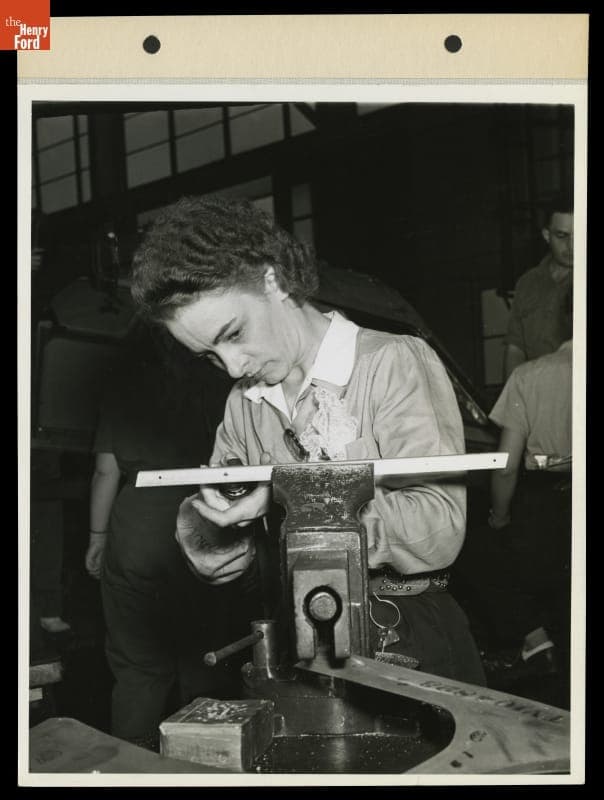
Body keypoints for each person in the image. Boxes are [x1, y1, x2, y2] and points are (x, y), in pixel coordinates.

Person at [130, 195, 486, 685]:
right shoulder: (244, 403)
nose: (233, 367)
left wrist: (298, 500)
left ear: (273, 279)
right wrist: (210, 535)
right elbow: (231, 508)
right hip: (300, 633)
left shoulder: (392, 364)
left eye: (234, 333)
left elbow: (441, 528)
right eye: (208, 356)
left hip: (407, 630)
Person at [86, 321, 263, 750]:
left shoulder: (122, 389)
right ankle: (203, 762)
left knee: (136, 669)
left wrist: (97, 536)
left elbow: (106, 471)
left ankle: (127, 769)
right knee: (204, 667)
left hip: (134, 534)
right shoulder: (224, 386)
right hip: (204, 528)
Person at [485, 287, 573, 685]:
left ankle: (538, 643)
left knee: (485, 550)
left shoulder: (529, 376)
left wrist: (499, 517)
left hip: (545, 505)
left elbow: (505, 467)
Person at [503, 194, 573, 380]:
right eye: (562, 236)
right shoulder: (528, 283)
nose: (572, 245)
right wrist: (514, 397)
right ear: (546, 235)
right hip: (536, 394)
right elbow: (515, 349)